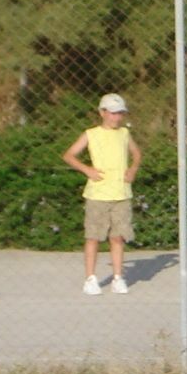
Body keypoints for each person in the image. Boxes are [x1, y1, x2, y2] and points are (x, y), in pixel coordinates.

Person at [63, 93, 141, 296]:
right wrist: (87, 170)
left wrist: (132, 169)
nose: (117, 118)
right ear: (102, 113)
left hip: (121, 193)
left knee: (117, 237)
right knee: (93, 237)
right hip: (98, 194)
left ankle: (117, 277)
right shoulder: (91, 134)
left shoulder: (124, 134)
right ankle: (90, 278)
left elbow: (137, 154)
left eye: (120, 114)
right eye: (113, 113)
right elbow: (69, 155)